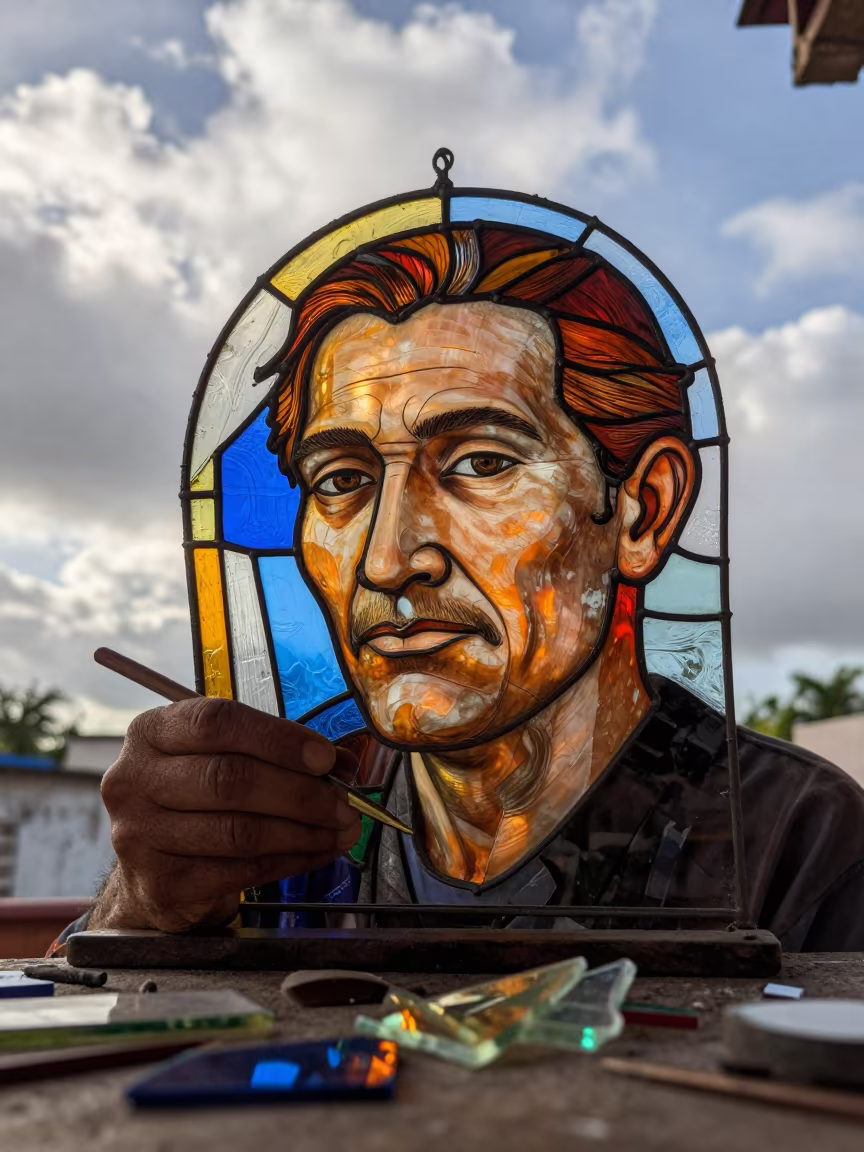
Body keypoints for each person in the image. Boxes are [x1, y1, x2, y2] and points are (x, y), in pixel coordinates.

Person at [76, 226, 864, 951]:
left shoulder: (791, 837)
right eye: (342, 478)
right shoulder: (283, 813)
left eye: (480, 463)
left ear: (640, 509)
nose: (387, 562)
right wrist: (144, 903)